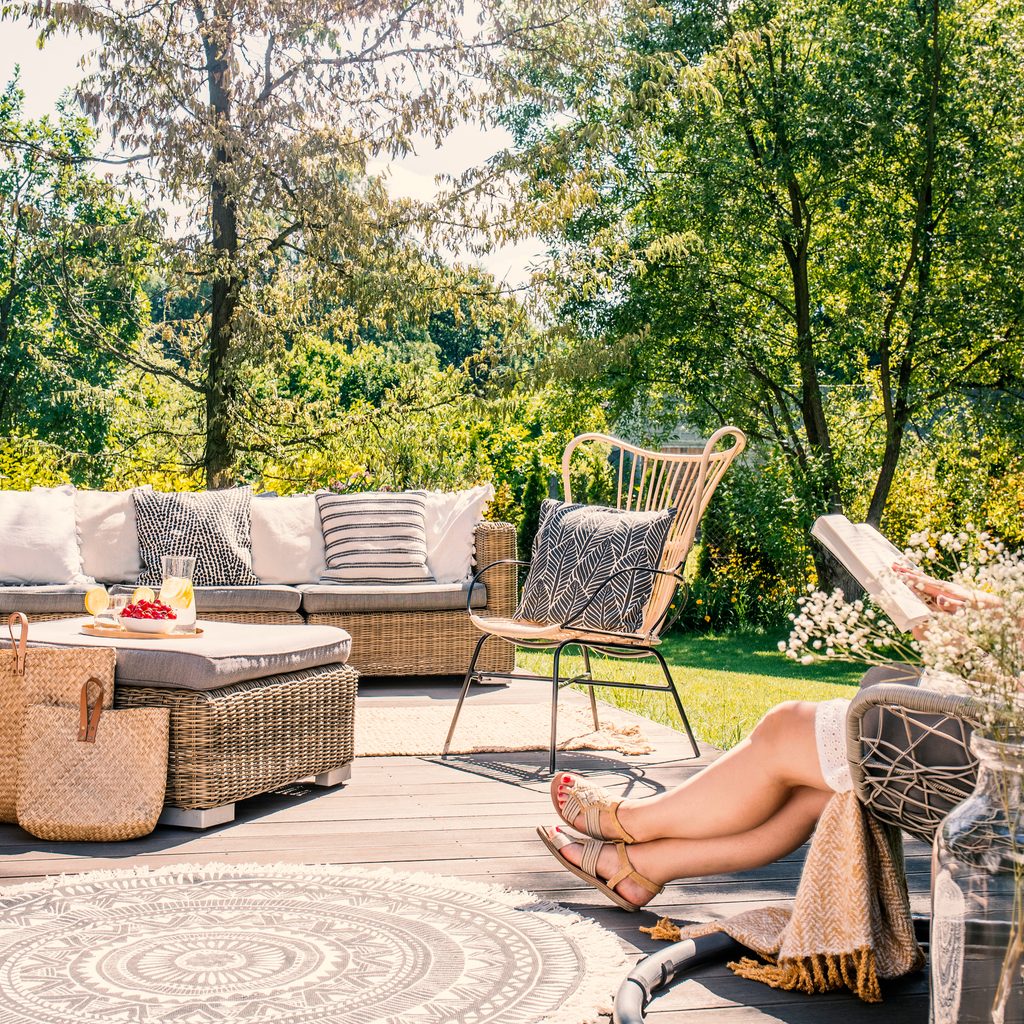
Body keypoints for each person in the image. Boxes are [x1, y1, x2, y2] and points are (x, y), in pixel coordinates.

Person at [537, 569, 987, 912]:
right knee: (813, 794)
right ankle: (639, 870)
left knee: (784, 728)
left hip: (985, 760)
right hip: (974, 739)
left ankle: (631, 821)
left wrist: (976, 612)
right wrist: (959, 617)